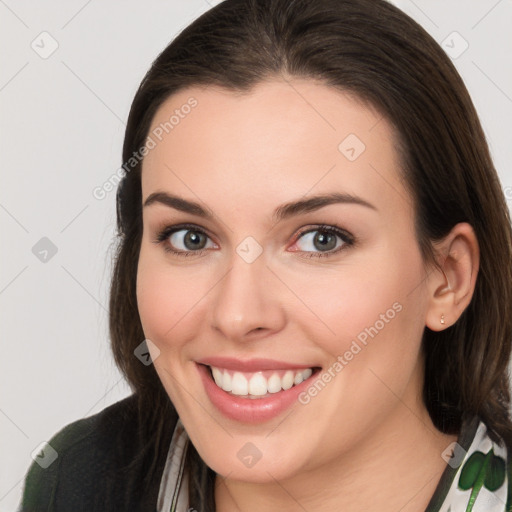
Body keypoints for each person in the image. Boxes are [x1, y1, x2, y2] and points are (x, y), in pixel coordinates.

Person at [19, 0, 512, 510]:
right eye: (190, 237)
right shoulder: (79, 481)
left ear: (447, 278)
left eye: (322, 239)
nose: (238, 314)